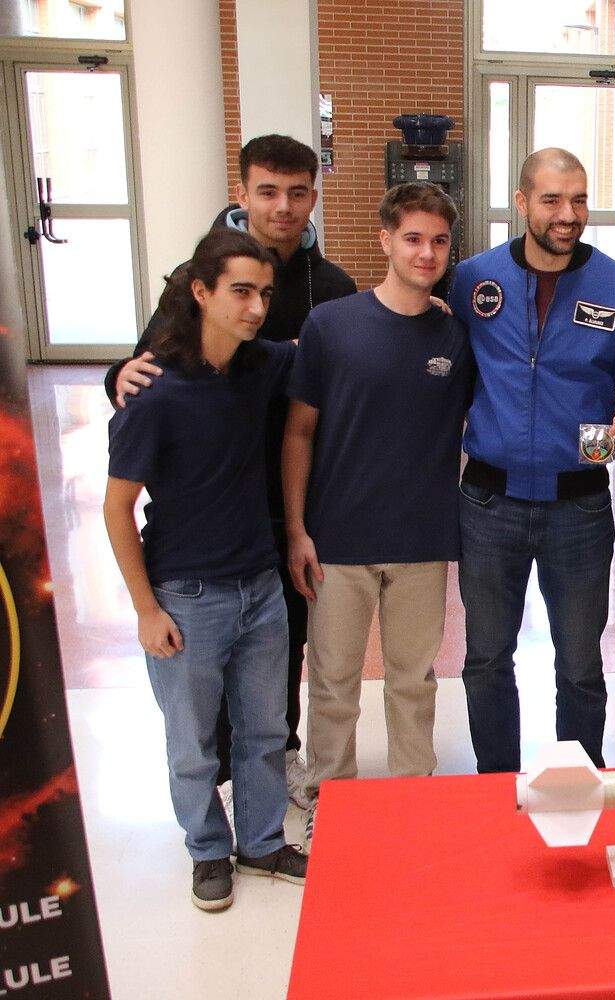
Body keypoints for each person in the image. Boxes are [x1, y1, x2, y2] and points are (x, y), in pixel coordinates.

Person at [106, 135, 356, 811]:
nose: (284, 206)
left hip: (293, 492)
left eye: (298, 192)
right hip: (209, 499)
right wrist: (115, 375)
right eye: (268, 191)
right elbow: (148, 365)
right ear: (243, 193)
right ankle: (209, 776)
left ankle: (279, 755)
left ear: (313, 196)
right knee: (202, 652)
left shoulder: (328, 286)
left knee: (281, 640)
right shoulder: (200, 275)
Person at [102, 228, 308, 912]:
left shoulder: (258, 367)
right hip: (186, 596)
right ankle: (207, 851)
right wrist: (145, 609)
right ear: (201, 292)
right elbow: (116, 508)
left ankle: (260, 840)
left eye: (265, 294)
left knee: (264, 730)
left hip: (260, 587)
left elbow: (323, 350)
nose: (255, 308)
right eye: (241, 292)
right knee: (192, 742)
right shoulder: (155, 390)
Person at [448, 148, 615, 774]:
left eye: (578, 200)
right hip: (488, 503)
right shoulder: (473, 280)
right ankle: (495, 785)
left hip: (580, 503)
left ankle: (580, 779)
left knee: (579, 662)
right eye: (551, 200)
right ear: (522, 202)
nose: (567, 214)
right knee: (487, 657)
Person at [281, 183, 473, 825]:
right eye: (413, 238)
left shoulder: (456, 335)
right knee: (332, 683)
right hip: (338, 540)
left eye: (439, 241)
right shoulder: (331, 325)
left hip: (422, 539)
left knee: (413, 681)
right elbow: (298, 431)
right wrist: (297, 529)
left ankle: (412, 795)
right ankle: (327, 800)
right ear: (385, 239)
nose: (426, 252)